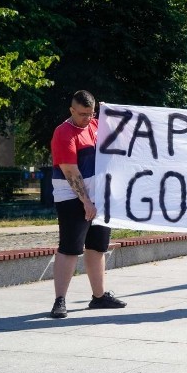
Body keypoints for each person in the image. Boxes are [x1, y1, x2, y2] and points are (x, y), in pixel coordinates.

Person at [49, 90, 127, 318]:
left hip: (99, 198)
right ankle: (59, 300)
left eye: (91, 113)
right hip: (72, 198)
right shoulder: (64, 133)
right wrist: (86, 202)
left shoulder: (96, 126)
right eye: (82, 114)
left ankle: (99, 296)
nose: (87, 118)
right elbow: (70, 171)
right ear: (71, 110)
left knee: (97, 247)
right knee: (70, 248)